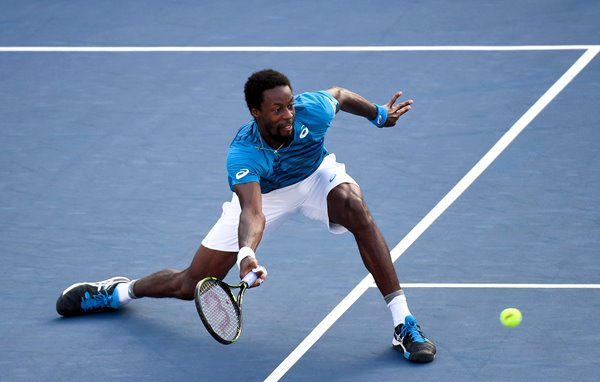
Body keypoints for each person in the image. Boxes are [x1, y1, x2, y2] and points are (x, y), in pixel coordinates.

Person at [56, 69, 437, 363]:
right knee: (191, 284)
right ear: (255, 112)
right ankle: (118, 291)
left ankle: (403, 323)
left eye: (289, 105)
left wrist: (379, 114)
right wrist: (246, 254)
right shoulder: (243, 153)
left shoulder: (312, 111)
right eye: (277, 109)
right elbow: (252, 211)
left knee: (356, 209)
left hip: (317, 177)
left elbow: (339, 95)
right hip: (267, 197)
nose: (288, 115)